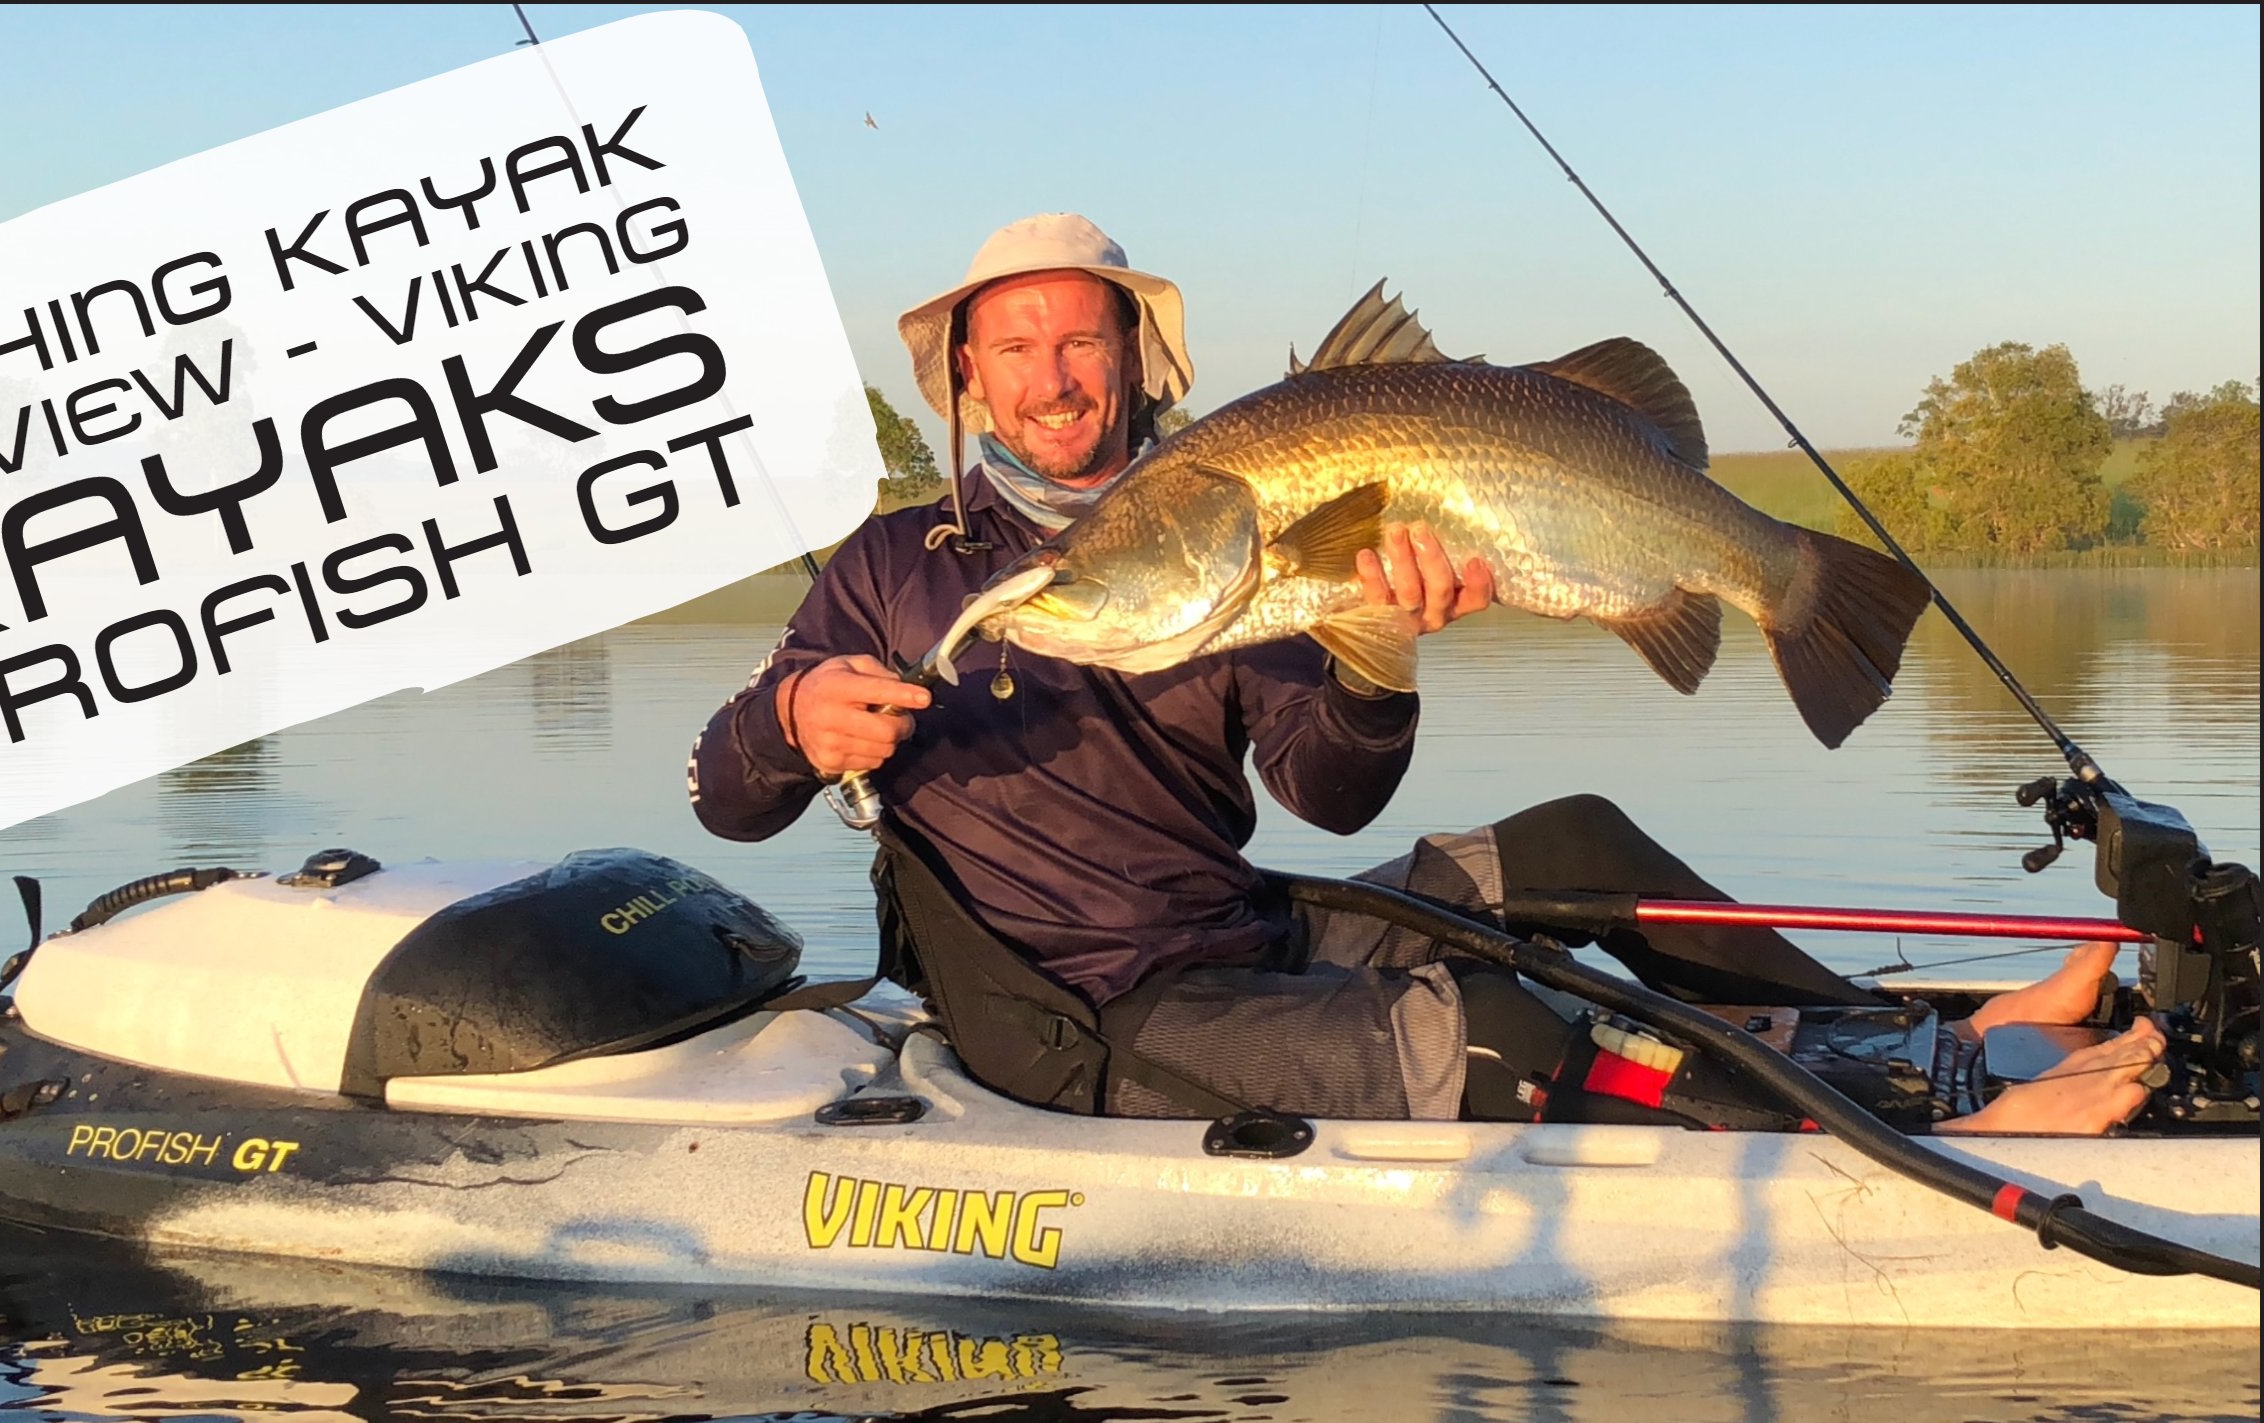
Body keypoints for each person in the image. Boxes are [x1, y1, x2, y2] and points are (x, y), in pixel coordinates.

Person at [687, 213, 2162, 1135]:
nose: (1053, 374)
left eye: (1083, 338)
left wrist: (1377, 660)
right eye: (1015, 347)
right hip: (1090, 1017)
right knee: (1493, 1026)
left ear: (1134, 358)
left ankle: (1910, 1034)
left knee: (1576, 845)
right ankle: (1927, 1133)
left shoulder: (1218, 513)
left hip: (1247, 929)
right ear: (968, 374)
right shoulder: (890, 568)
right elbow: (722, 797)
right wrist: (789, 722)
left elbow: (1325, 800)